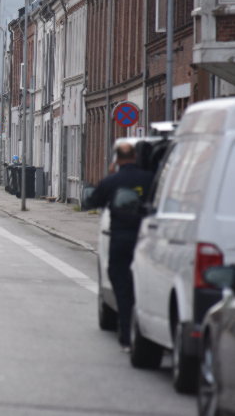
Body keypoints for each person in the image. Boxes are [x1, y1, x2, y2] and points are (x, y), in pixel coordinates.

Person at [85, 142, 153, 350]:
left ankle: (126, 336)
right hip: (146, 241)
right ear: (134, 157)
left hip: (120, 241)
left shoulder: (113, 180)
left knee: (122, 289)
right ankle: (148, 333)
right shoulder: (151, 179)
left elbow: (90, 202)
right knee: (146, 288)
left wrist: (110, 179)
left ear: (116, 159)